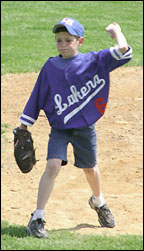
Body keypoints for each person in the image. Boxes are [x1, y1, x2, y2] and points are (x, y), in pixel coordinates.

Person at [18, 17, 132, 238]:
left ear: (80, 41)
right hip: (60, 128)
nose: (62, 44)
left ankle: (98, 202)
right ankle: (37, 217)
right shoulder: (50, 67)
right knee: (52, 167)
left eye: (68, 40)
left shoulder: (94, 60)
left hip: (85, 127)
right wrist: (24, 125)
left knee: (90, 169)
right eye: (59, 40)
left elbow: (124, 50)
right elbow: (37, 96)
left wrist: (116, 31)